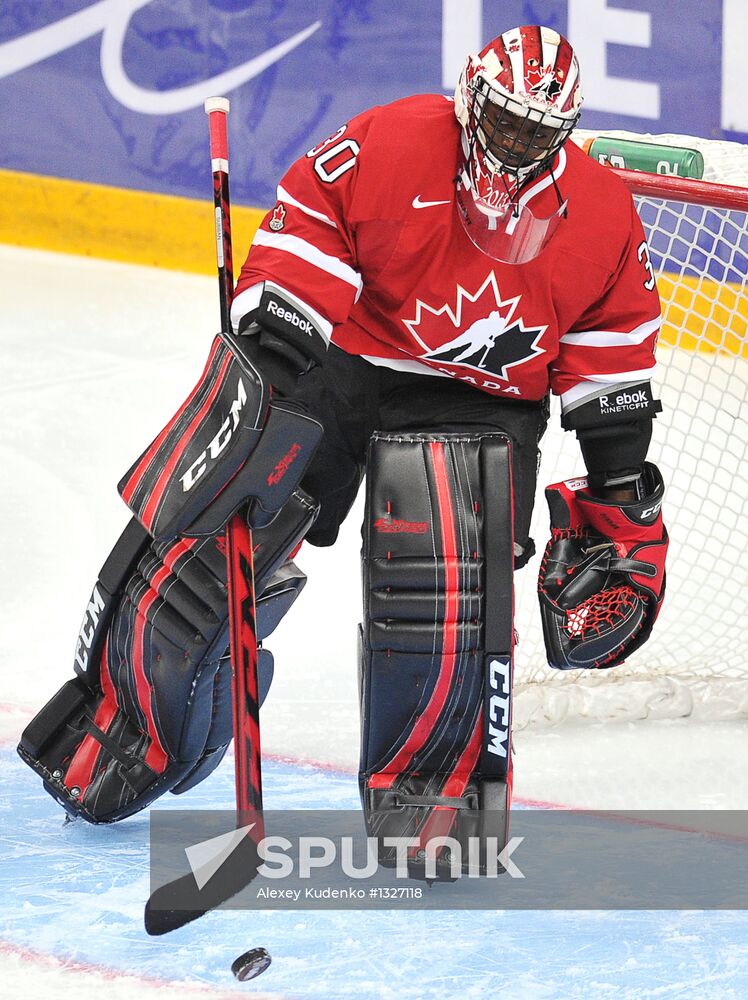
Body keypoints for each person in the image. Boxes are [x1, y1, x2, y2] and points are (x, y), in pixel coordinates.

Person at [18, 25, 668, 826]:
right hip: (351, 361)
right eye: (504, 120)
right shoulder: (390, 141)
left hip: (484, 400)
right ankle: (124, 729)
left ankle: (433, 798)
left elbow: (612, 345)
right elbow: (314, 221)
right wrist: (277, 342)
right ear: (471, 97)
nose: (514, 144)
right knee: (223, 528)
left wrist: (618, 480)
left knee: (450, 587)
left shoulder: (599, 212)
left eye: (536, 132)